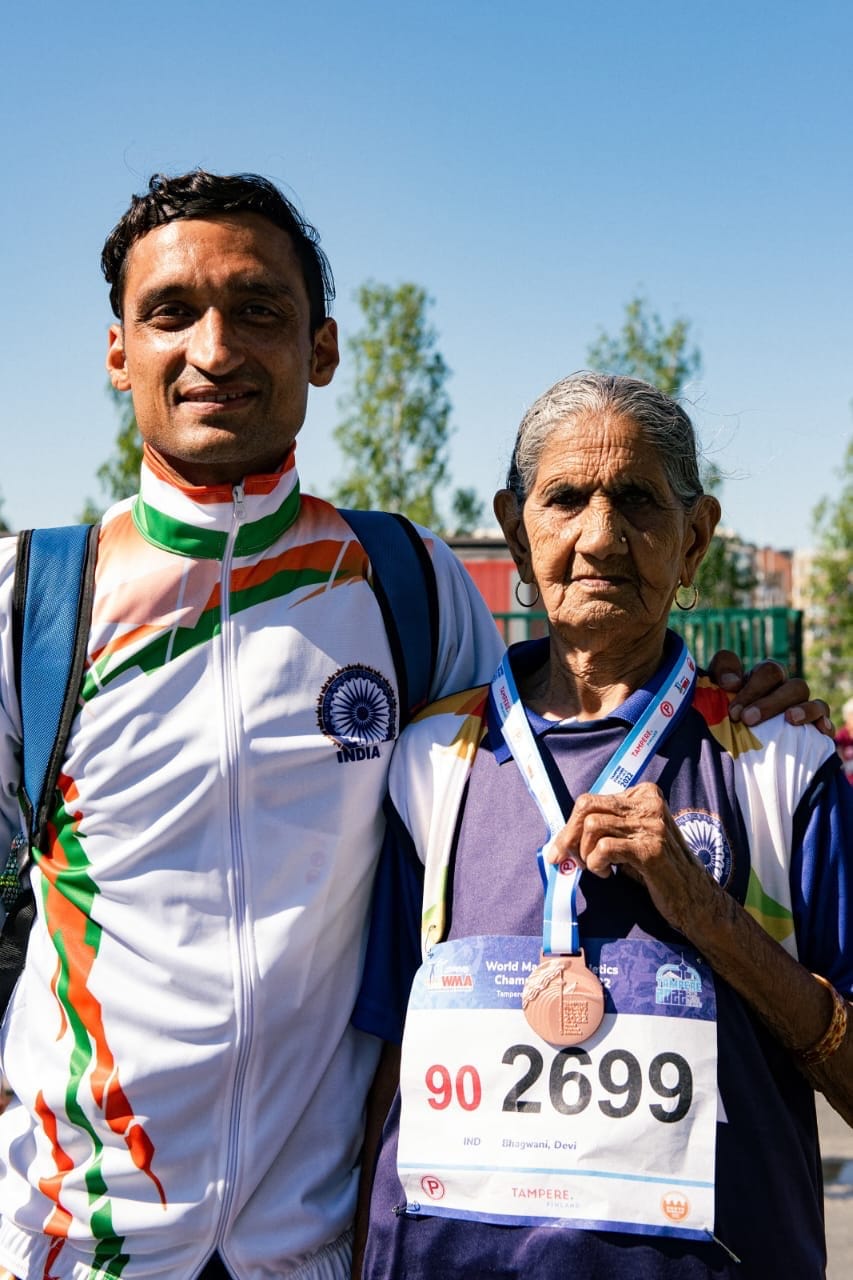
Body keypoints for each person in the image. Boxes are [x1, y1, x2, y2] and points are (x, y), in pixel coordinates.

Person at [0, 175, 828, 1280]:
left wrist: (739, 709)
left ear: (322, 347)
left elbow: (557, 735)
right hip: (77, 1239)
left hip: (314, 1245)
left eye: (258, 310)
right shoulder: (33, 605)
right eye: (171, 312)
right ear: (118, 350)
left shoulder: (407, 586)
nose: (215, 348)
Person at [353, 372, 852, 1279]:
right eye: (565, 499)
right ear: (515, 529)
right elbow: (383, 1061)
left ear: (693, 539)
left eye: (637, 500)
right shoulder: (431, 758)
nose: (599, 536)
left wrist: (711, 920)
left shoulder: (778, 762)